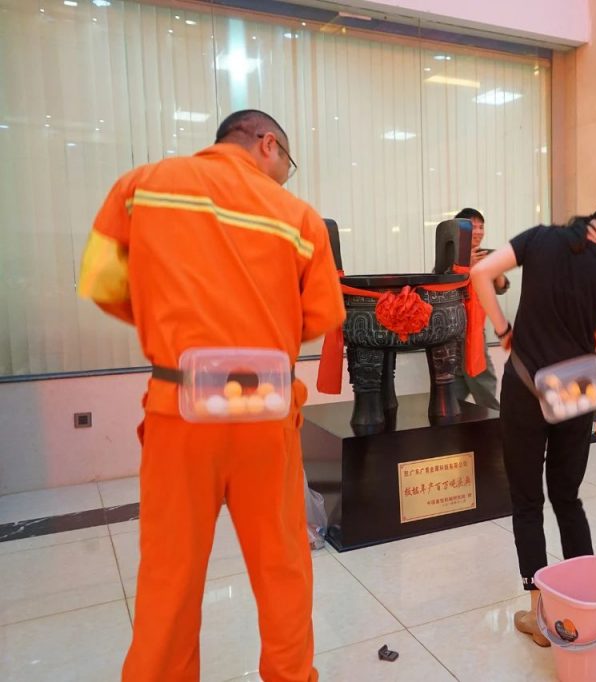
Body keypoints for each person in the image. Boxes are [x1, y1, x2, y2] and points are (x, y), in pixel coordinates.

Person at [78, 109, 345, 681]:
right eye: (288, 163)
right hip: (266, 410)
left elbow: (101, 282)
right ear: (267, 144)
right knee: (282, 568)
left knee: (169, 575)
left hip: (180, 407)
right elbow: (322, 315)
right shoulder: (299, 218)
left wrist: (174, 327)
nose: (286, 176)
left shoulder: (142, 188)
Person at [470, 191, 596, 646]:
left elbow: (480, 273)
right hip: (575, 391)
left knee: (527, 501)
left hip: (525, 387)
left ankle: (541, 618)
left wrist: (504, 329)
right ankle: (583, 603)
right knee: (567, 498)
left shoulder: (541, 239)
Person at [449, 207, 508, 410]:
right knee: (454, 396)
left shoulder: (486, 255)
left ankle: (493, 426)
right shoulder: (449, 258)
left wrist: (495, 268)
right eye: (473, 227)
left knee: (481, 389)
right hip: (451, 337)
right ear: (459, 230)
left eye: (481, 227)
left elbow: (501, 287)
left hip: (475, 334)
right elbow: (441, 290)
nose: (478, 231)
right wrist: (466, 266)